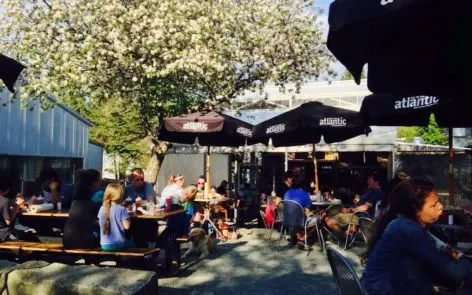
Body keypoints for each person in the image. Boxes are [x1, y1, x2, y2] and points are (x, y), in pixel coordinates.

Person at [362, 179, 472, 295]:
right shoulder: (407, 229)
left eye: (439, 202)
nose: (441, 207)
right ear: (416, 210)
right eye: (434, 205)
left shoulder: (404, 224)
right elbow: (453, 270)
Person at [63, 170, 101, 249]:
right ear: (94, 182)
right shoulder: (98, 194)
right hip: (86, 240)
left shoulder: (76, 196)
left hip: (67, 239)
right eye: (99, 180)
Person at [98, 183, 133, 251]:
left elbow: (100, 223)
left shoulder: (102, 208)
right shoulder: (122, 209)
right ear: (120, 196)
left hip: (104, 245)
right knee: (133, 244)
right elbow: (127, 227)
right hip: (120, 244)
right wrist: (129, 219)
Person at [284, 175, 317, 244]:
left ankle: (300, 236)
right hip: (298, 221)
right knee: (319, 220)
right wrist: (313, 213)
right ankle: (306, 236)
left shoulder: (287, 193)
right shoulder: (305, 194)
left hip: (286, 219)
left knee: (296, 216)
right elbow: (308, 214)